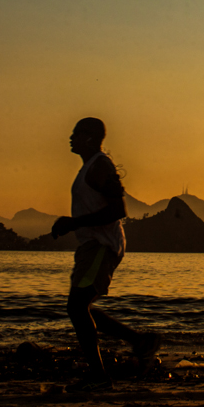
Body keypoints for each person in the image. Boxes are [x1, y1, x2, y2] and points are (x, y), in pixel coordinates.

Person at [50, 117, 161, 392]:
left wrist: (73, 223)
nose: (71, 137)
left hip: (102, 245)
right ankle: (139, 342)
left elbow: (118, 210)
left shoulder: (99, 166)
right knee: (80, 307)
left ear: (90, 137)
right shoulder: (90, 166)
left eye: (77, 133)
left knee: (77, 307)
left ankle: (99, 376)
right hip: (92, 246)